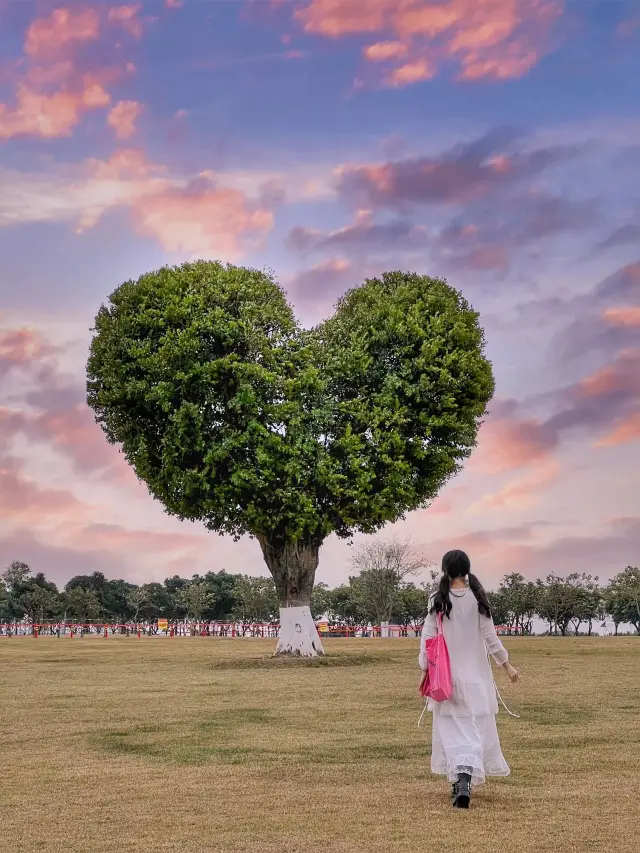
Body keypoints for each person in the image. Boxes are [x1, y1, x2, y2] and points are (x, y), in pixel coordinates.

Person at [418, 550, 519, 809]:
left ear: (445, 569)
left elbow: (428, 638)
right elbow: (490, 637)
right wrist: (506, 665)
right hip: (476, 679)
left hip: (445, 679)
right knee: (474, 730)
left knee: (451, 731)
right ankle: (464, 780)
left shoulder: (437, 599)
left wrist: (424, 669)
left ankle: (460, 781)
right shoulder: (478, 598)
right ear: (466, 569)